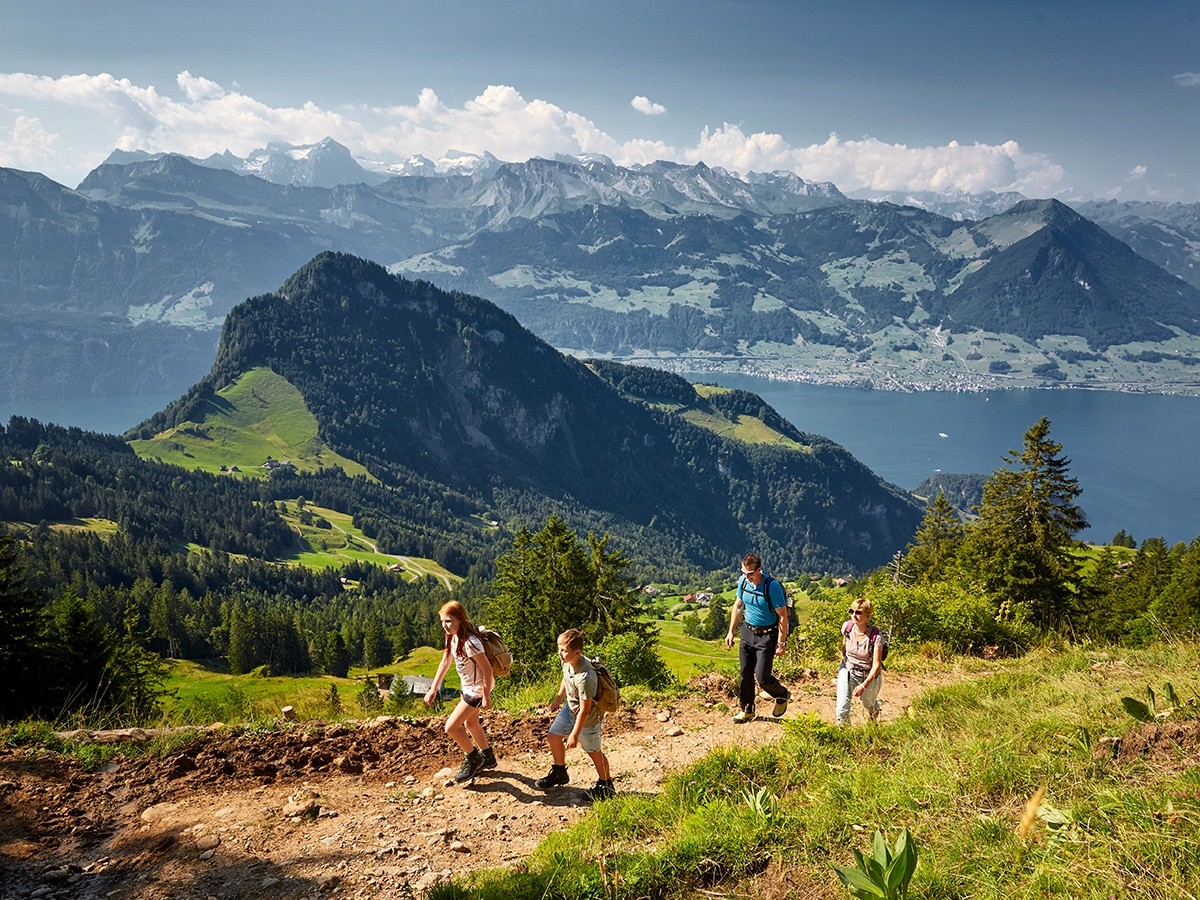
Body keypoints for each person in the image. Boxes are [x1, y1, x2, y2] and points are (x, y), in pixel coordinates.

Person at [533, 629, 614, 801]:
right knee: (553, 736)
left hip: (588, 719)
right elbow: (565, 678)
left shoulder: (586, 676)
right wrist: (558, 698)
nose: (560, 654)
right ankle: (560, 772)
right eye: (559, 649)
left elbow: (585, 709)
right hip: (569, 709)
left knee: (594, 751)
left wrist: (574, 735)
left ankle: (606, 785)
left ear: (577, 652)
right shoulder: (568, 662)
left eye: (564, 651)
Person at [424, 600, 497, 782]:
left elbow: (487, 670)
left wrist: (486, 697)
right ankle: (488, 757)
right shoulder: (452, 636)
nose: (445, 625)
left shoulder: (471, 643)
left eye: (449, 621)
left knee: (451, 727)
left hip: (478, 690)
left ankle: (473, 758)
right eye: (442, 621)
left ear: (460, 620)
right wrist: (433, 688)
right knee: (471, 724)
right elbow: (445, 660)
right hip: (469, 687)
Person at [724, 553, 790, 723]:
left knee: (762, 678)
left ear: (759, 569)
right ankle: (747, 710)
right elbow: (738, 606)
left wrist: (781, 642)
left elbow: (783, 616)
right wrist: (731, 631)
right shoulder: (743, 582)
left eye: (750, 573)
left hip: (767, 636)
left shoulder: (772, 587)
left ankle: (781, 695)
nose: (747, 577)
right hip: (747, 632)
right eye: (744, 572)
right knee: (745, 673)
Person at [836, 597, 883, 726]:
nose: (854, 615)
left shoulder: (876, 637)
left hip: (868, 675)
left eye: (858, 612)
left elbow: (877, 665)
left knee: (869, 704)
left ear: (868, 615)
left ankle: (874, 718)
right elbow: (844, 645)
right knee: (841, 710)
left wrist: (864, 685)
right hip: (848, 669)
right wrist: (845, 664)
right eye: (851, 611)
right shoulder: (847, 627)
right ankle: (845, 738)